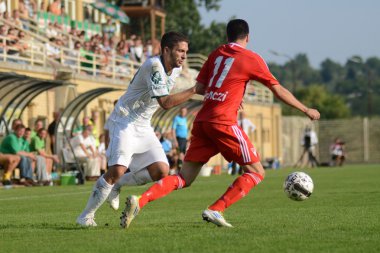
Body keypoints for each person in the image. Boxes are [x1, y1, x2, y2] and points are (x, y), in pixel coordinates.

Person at [120, 19, 320, 229]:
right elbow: (277, 90)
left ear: (227, 36)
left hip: (203, 120)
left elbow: (201, 86)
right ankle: (216, 209)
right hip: (223, 121)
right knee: (256, 171)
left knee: (184, 178)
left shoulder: (216, 54)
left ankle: (140, 200)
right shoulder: (252, 58)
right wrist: (305, 109)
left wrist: (230, 94)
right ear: (248, 37)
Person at [76, 31, 199, 226]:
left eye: (186, 51)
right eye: (180, 51)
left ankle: (119, 185)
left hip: (143, 125)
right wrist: (194, 90)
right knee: (116, 170)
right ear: (166, 50)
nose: (184, 56)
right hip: (124, 120)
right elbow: (166, 103)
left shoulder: (175, 69)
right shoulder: (154, 65)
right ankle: (86, 216)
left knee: (161, 170)